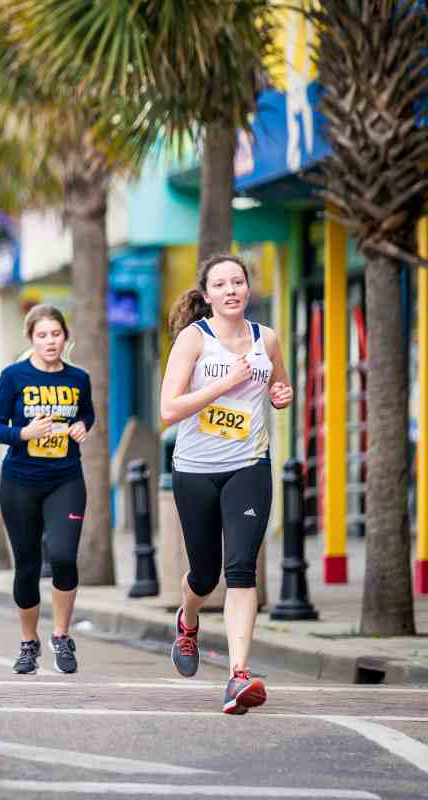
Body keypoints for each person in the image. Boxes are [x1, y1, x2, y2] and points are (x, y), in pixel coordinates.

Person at [160, 253, 292, 715]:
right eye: (222, 284)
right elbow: (169, 410)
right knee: (204, 574)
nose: (232, 290)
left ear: (247, 289)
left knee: (241, 569)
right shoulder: (194, 340)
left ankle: (238, 675)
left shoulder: (266, 339)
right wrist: (224, 383)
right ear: (208, 294)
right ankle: (188, 619)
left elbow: (279, 389)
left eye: (238, 281)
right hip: (195, 469)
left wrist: (281, 396)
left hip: (248, 465)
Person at [0, 305, 94, 676]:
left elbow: (87, 413)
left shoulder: (78, 378)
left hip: (65, 478)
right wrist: (22, 434)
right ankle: (29, 642)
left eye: (56, 335)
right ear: (31, 339)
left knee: (63, 556)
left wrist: (82, 426)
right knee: (28, 566)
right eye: (42, 335)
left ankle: (61, 635)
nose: (50, 342)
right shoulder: (14, 377)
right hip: (20, 482)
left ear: (66, 337)